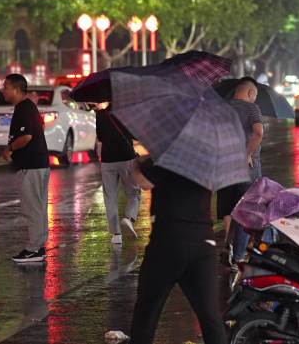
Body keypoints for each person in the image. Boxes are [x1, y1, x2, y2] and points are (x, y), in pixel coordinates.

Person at [129, 156, 226, 344]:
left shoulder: (167, 157)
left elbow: (142, 181)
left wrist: (136, 163)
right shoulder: (208, 159)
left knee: (146, 314)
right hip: (203, 244)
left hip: (167, 243)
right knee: (210, 317)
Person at [1, 74, 51, 263]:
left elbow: (26, 136)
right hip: (37, 164)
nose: (3, 90)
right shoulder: (27, 107)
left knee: (33, 207)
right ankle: (38, 246)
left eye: (5, 87)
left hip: (32, 166)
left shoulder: (24, 108)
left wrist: (10, 148)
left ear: (16, 89)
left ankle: (34, 248)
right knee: (37, 206)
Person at [216, 77, 263, 268]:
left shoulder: (221, 108)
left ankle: (229, 247)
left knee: (227, 210)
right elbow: (258, 133)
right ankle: (238, 256)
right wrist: (247, 153)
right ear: (250, 93)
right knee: (244, 211)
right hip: (247, 170)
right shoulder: (252, 109)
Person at [95, 102, 141, 245]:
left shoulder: (100, 115)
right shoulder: (127, 112)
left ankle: (116, 234)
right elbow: (136, 135)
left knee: (110, 196)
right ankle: (129, 217)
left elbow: (101, 137)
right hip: (126, 158)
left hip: (108, 159)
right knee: (134, 192)